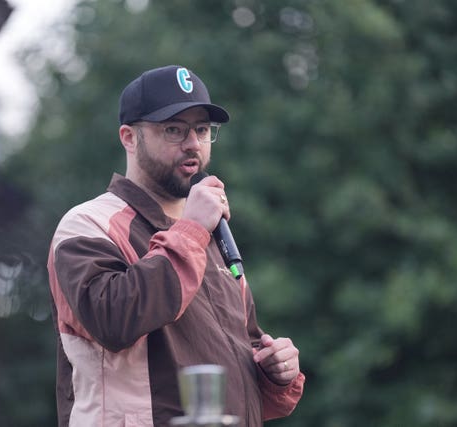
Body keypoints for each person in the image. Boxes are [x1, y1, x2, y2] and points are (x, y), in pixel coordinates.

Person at [47, 65, 305, 426]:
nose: (193, 143)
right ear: (129, 137)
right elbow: (112, 320)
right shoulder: (87, 225)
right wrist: (193, 228)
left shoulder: (212, 238)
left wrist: (275, 370)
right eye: (173, 129)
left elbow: (239, 355)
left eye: (201, 130)